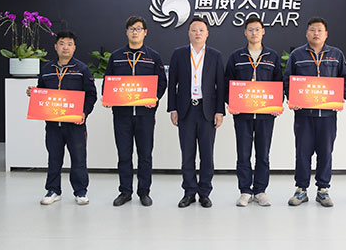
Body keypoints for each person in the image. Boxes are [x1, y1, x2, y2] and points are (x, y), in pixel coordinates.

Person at [283, 17, 346, 207]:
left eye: (319, 30)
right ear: (307, 33)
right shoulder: (297, 55)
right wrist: (292, 98)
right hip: (304, 115)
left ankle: (323, 190)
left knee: (325, 152)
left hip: (327, 116)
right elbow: (287, 79)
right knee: (302, 153)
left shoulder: (336, 54)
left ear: (326, 34)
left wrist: (340, 98)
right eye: (312, 30)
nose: (316, 33)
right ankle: (301, 190)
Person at [26, 31, 97, 206]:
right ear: (56, 47)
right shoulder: (47, 70)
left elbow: (91, 95)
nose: (65, 47)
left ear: (74, 48)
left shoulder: (82, 70)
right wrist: (34, 93)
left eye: (69, 44)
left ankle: (80, 192)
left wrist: (84, 113)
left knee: (78, 158)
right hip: (53, 125)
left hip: (75, 124)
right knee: (54, 158)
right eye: (62, 43)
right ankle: (53, 190)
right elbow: (43, 92)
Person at [103, 16, 167, 207]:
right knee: (124, 154)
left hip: (145, 115)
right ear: (126, 32)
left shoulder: (153, 56)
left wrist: (154, 98)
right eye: (131, 28)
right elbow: (108, 81)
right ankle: (125, 192)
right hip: (121, 115)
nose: (135, 32)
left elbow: (161, 82)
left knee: (145, 155)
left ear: (145, 32)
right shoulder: (116, 56)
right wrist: (107, 97)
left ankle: (144, 192)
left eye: (138, 29)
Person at [224, 15, 283, 207]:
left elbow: (279, 83)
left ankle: (260, 191)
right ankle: (245, 191)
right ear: (245, 33)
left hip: (266, 115)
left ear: (263, 31)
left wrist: (277, 104)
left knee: (263, 154)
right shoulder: (236, 57)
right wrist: (232, 102)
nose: (254, 33)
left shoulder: (272, 57)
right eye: (250, 29)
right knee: (243, 154)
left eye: (257, 29)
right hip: (242, 115)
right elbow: (227, 83)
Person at [167, 16, 225, 208]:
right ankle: (189, 192)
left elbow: (220, 85)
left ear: (207, 33)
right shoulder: (179, 54)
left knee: (207, 155)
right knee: (187, 154)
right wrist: (173, 108)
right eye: (194, 30)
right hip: (185, 111)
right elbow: (172, 83)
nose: (197, 33)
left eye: (201, 30)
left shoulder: (215, 55)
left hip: (207, 111)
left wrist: (219, 111)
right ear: (188, 33)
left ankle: (205, 192)